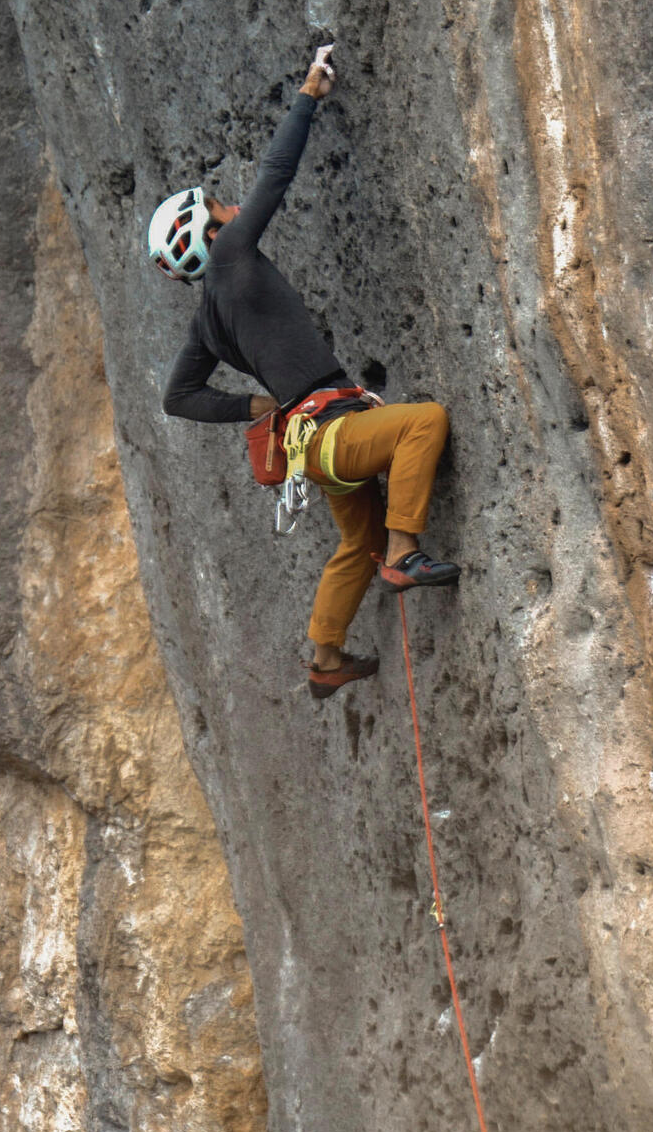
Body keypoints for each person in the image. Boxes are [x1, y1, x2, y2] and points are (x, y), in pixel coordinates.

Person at [150, 40, 459, 697]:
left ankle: (324, 658)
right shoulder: (233, 253)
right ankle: (404, 554)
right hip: (330, 438)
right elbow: (274, 179)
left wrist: (254, 408)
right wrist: (307, 98)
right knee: (423, 424)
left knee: (356, 539)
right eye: (217, 210)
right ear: (208, 235)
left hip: (310, 443)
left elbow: (179, 396)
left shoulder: (207, 320)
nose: (230, 209)